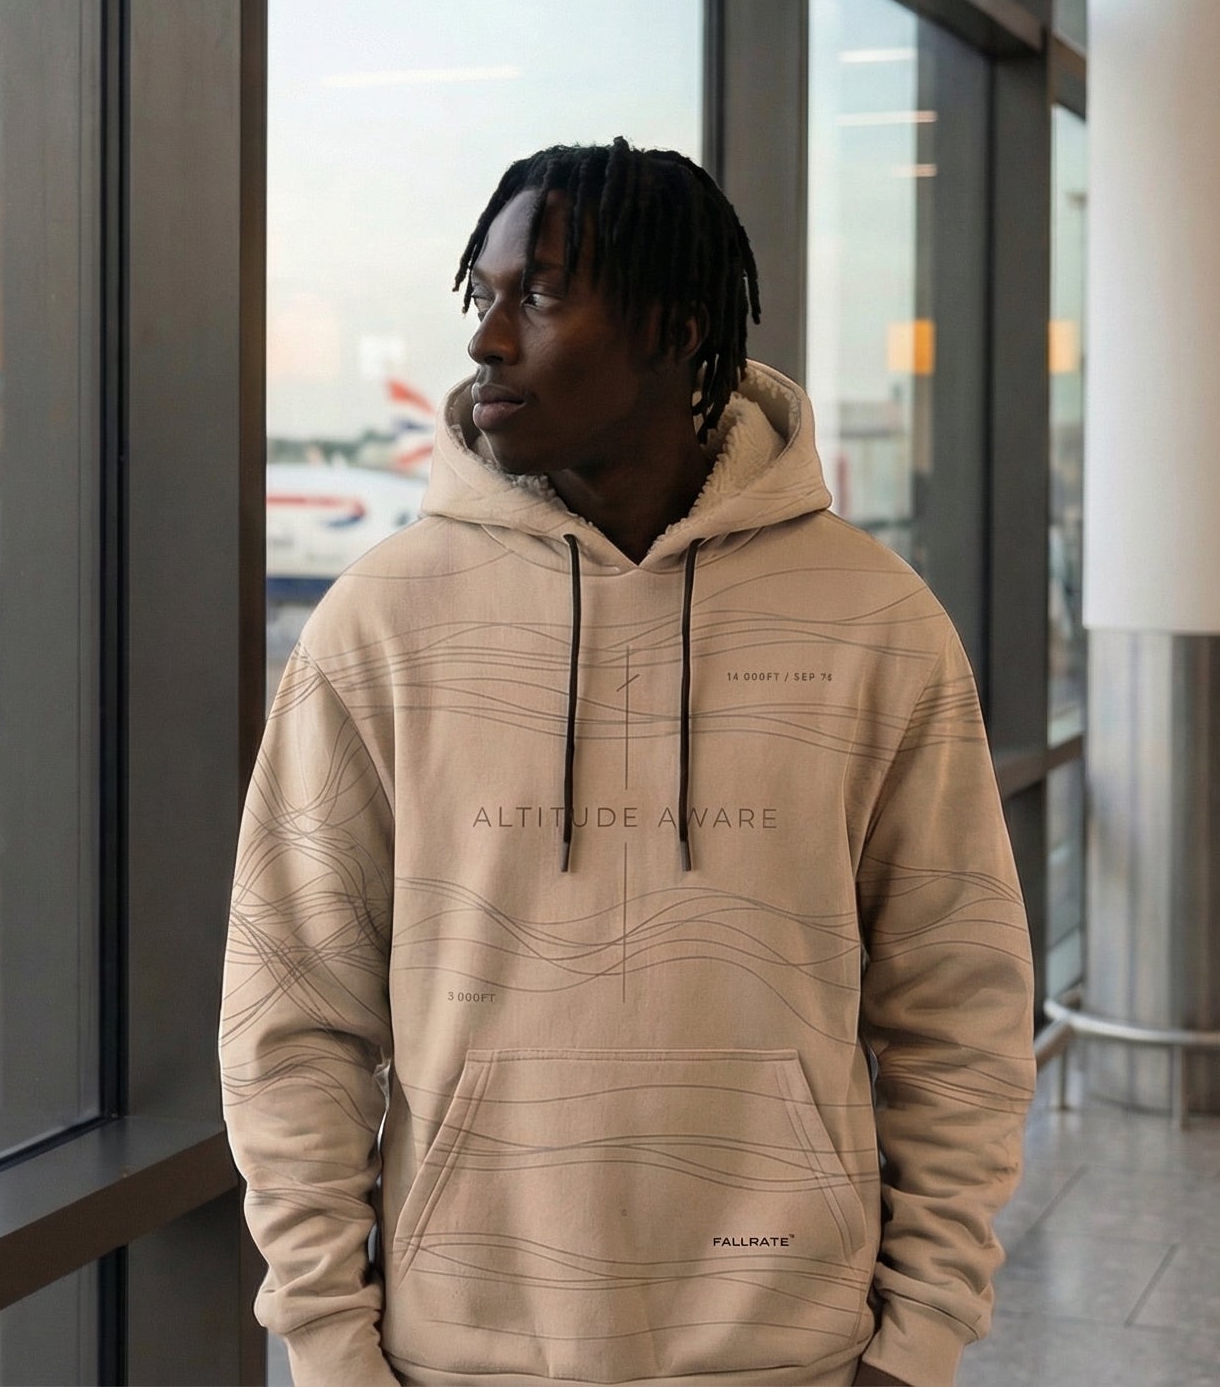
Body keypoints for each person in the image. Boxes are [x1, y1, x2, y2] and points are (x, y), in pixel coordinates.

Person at [222, 139, 1036, 1387]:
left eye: (539, 296)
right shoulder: (382, 622)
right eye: (480, 296)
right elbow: (294, 1015)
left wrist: (918, 1341)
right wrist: (331, 1349)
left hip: (797, 1350)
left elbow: (959, 1006)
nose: (489, 338)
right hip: (455, 1354)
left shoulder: (876, 621)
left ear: (675, 323)